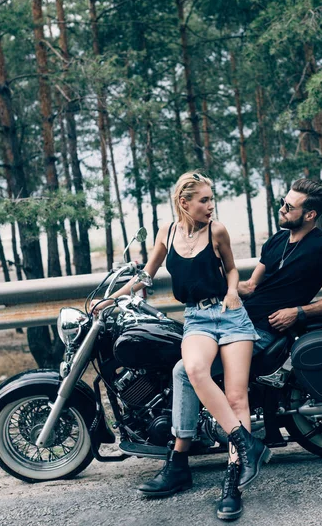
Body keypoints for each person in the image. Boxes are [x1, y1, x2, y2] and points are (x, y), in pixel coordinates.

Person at [142, 178, 322, 518]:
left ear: (310, 215)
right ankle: (193, 453)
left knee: (187, 372)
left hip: (268, 329)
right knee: (183, 363)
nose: (281, 209)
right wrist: (225, 288)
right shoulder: (276, 241)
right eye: (283, 203)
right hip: (236, 316)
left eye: (289, 206)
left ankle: (186, 463)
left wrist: (299, 312)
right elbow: (252, 285)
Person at [91, 172, 271, 521]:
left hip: (231, 316)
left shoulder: (217, 231)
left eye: (211, 199)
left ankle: (233, 481)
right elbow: (146, 276)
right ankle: (246, 444)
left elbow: (232, 269)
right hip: (198, 319)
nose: (210, 206)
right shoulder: (167, 233)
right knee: (192, 369)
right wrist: (109, 300)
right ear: (183, 202)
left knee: (237, 398)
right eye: (204, 200)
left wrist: (233, 290)